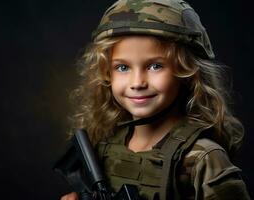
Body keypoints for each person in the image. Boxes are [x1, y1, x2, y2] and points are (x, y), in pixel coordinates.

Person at [60, 0, 251, 199]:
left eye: (155, 66)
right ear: (107, 73)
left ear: (187, 72)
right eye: (122, 67)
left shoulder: (203, 157)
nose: (137, 83)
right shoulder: (105, 145)